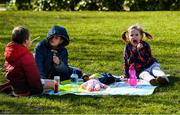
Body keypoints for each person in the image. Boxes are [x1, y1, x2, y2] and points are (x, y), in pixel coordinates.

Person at [1, 26, 44, 96]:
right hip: (24, 89)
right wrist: (39, 90)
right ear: (26, 41)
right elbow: (33, 77)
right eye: (30, 38)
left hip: (14, 85)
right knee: (52, 84)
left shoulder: (10, 51)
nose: (31, 40)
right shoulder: (26, 56)